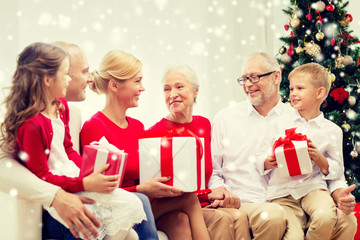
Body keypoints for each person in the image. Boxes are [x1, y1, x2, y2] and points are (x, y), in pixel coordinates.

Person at [0, 42, 146, 240]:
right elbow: (41, 174)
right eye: (66, 73)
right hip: (59, 189)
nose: (89, 78)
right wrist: (83, 182)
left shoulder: (62, 108)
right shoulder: (32, 125)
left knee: (132, 226)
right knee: (132, 205)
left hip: (73, 178)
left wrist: (87, 173)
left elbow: (68, 149)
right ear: (48, 80)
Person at [209, 52, 357, 239]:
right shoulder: (225, 118)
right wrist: (220, 190)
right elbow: (215, 173)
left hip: (299, 196)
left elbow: (328, 169)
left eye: (254, 77)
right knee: (274, 216)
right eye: (244, 79)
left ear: (277, 76)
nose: (247, 85)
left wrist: (338, 194)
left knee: (348, 220)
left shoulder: (297, 117)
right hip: (257, 200)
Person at [80, 50, 210, 240]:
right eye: (137, 81)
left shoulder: (137, 127)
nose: (143, 88)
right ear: (115, 85)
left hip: (146, 204)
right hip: (118, 208)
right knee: (189, 199)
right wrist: (141, 190)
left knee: (180, 221)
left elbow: (150, 172)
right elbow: (95, 191)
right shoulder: (95, 127)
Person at [145, 64, 251, 240]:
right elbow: (163, 192)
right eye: (166, 89)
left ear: (195, 91)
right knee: (222, 219)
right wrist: (206, 195)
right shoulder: (153, 135)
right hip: (171, 207)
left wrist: (220, 195)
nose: (172, 94)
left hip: (202, 203)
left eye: (179, 87)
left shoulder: (204, 125)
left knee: (238, 217)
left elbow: (209, 173)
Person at [261, 62, 349, 239]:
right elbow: (260, 154)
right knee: (293, 237)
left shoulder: (332, 130)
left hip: (313, 188)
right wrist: (266, 161)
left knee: (325, 216)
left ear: (319, 93)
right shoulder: (277, 123)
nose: (293, 93)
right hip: (281, 193)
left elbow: (338, 170)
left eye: (300, 88)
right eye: (292, 88)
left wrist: (320, 159)